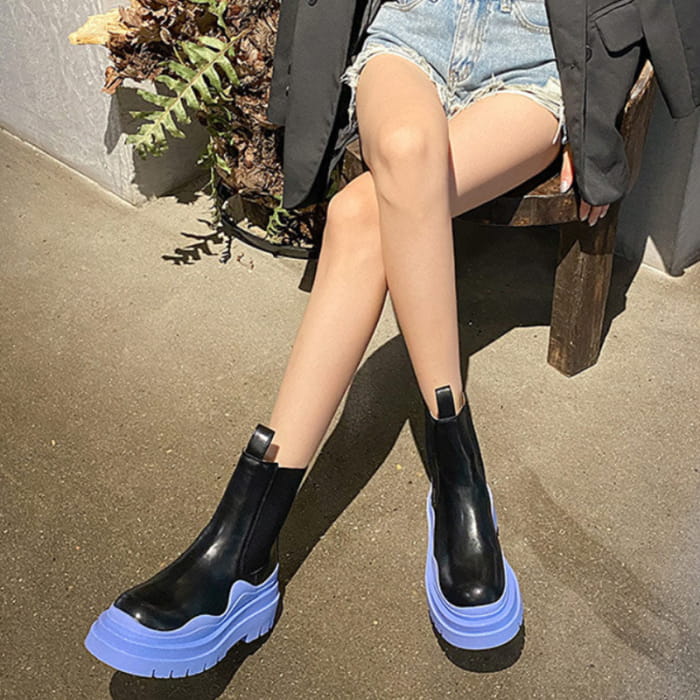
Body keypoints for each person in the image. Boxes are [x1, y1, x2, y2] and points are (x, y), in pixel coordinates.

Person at [84, 0, 610, 678]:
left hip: (535, 53)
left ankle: (246, 547)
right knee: (405, 149)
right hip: (416, 30)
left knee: (360, 213)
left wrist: (600, 117)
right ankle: (453, 470)